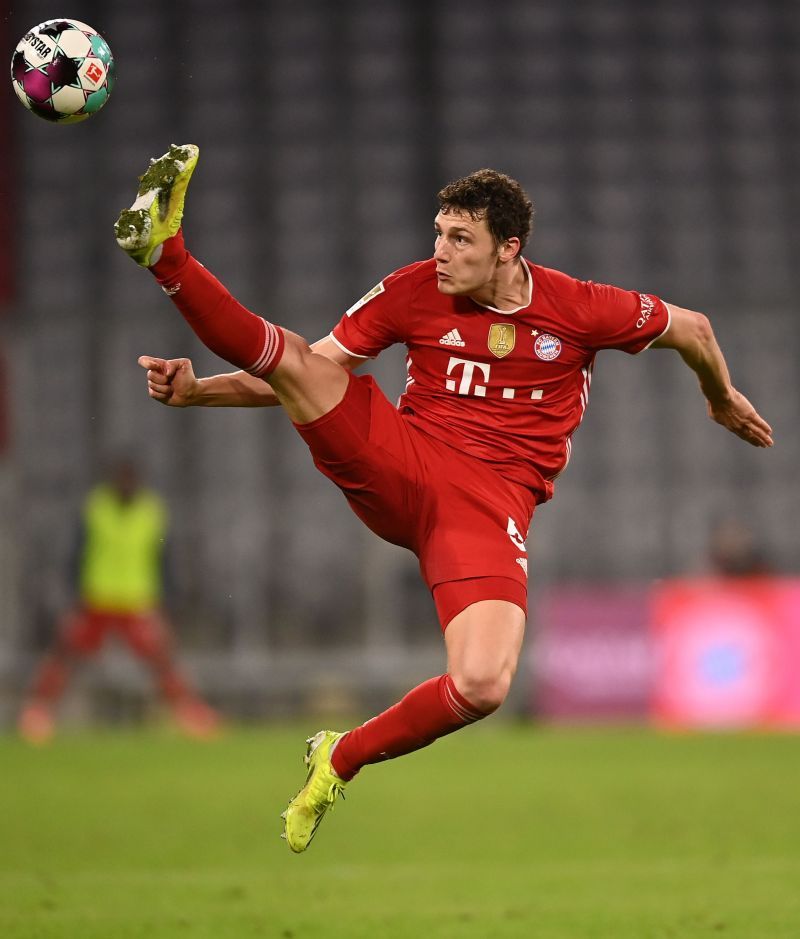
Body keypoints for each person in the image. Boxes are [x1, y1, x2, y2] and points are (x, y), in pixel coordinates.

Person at [114, 144, 773, 852]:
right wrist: (199, 393)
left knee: (484, 682)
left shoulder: (578, 307)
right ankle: (166, 254)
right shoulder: (410, 291)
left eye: (461, 238)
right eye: (438, 232)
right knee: (297, 358)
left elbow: (694, 328)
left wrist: (720, 395)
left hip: (487, 508)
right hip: (403, 458)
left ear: (507, 249)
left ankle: (340, 755)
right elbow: (308, 369)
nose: (440, 250)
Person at [18, 456, 221, 743]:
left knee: (161, 660)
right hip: (97, 598)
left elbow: (163, 559)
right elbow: (77, 554)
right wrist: (74, 596)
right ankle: (38, 713)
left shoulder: (151, 510)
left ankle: (188, 713)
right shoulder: (96, 507)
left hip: (137, 599)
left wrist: (166, 600)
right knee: (67, 653)